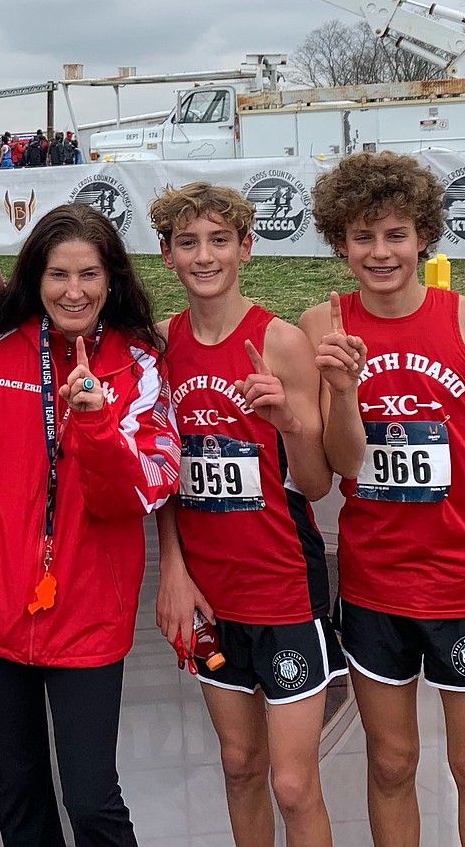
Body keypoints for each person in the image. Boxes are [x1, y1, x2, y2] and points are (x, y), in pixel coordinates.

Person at [299, 150, 465, 847]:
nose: (380, 252)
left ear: (424, 236)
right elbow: (337, 464)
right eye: (362, 236)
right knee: (390, 762)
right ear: (339, 241)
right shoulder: (323, 328)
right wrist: (343, 389)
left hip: (463, 580)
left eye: (396, 234)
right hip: (375, 584)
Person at [0, 204, 181, 846]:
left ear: (112, 281)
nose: (73, 291)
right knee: (20, 793)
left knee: (92, 799)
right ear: (34, 279)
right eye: (57, 275)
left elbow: (145, 491)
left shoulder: (138, 365)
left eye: (89, 275)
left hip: (86, 611)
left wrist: (97, 424)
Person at [150, 182, 347, 847]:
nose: (204, 256)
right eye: (188, 242)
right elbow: (163, 477)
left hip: (282, 586)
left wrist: (287, 419)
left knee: (294, 785)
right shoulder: (160, 346)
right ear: (167, 255)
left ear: (246, 248)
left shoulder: (281, 342)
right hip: (210, 595)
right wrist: (172, 568)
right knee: (239, 766)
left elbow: (317, 483)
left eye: (219, 240)